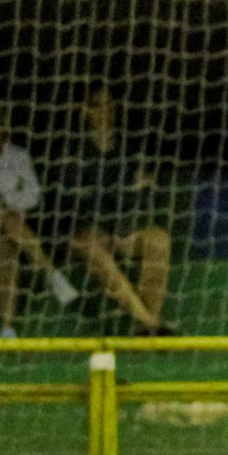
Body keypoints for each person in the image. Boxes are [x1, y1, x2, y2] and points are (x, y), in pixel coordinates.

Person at [46, 80, 176, 336]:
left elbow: (128, 201)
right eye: (96, 106)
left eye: (107, 105)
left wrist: (120, 223)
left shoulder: (127, 151)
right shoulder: (73, 152)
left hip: (117, 230)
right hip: (79, 235)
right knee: (92, 246)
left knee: (158, 240)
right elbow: (76, 205)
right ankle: (150, 324)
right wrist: (124, 195)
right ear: (85, 111)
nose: (103, 111)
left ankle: (147, 325)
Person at [0, 98, 78, 338]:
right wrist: (6, 197)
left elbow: (32, 196)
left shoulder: (19, 156)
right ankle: (51, 274)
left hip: (11, 232)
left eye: (3, 112)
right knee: (7, 221)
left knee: (5, 247)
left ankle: (7, 327)